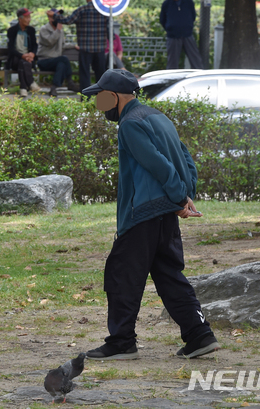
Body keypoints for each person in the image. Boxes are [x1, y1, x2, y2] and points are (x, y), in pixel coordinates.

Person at [81, 69, 220, 361]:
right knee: (170, 276)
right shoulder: (158, 117)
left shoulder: (129, 125)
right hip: (164, 213)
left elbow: (158, 164)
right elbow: (185, 158)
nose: (99, 105)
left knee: (122, 275)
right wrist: (185, 195)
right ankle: (199, 335)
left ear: (114, 97)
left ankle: (121, 343)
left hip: (143, 213)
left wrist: (179, 197)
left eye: (101, 98)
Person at [54, 0, 109, 96]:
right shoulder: (104, 10)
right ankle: (103, 100)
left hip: (85, 48)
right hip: (100, 49)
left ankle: (86, 100)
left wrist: (55, 16)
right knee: (101, 75)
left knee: (84, 75)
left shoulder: (82, 10)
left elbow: (68, 20)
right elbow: (109, 28)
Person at [159, 0, 204, 70]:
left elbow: (193, 17)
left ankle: (200, 77)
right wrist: (170, 28)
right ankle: (171, 81)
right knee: (172, 63)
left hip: (187, 35)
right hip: (173, 37)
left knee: (196, 60)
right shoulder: (166, 4)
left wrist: (187, 27)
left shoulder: (188, 2)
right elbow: (162, 20)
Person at [37, 9, 81, 97]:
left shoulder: (59, 31)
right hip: (44, 61)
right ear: (50, 18)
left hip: (55, 61)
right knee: (63, 59)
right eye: (56, 16)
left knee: (61, 64)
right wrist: (58, 30)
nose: (58, 18)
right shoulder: (44, 29)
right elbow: (50, 42)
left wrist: (74, 46)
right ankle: (70, 83)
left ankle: (54, 88)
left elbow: (62, 45)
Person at [7, 8, 40, 98]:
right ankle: (31, 82)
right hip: (15, 59)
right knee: (22, 61)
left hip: (28, 59)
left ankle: (23, 88)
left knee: (23, 62)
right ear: (20, 19)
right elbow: (11, 49)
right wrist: (22, 56)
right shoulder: (12, 31)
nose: (29, 19)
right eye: (27, 17)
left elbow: (34, 45)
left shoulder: (31, 30)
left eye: (29, 17)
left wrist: (32, 54)